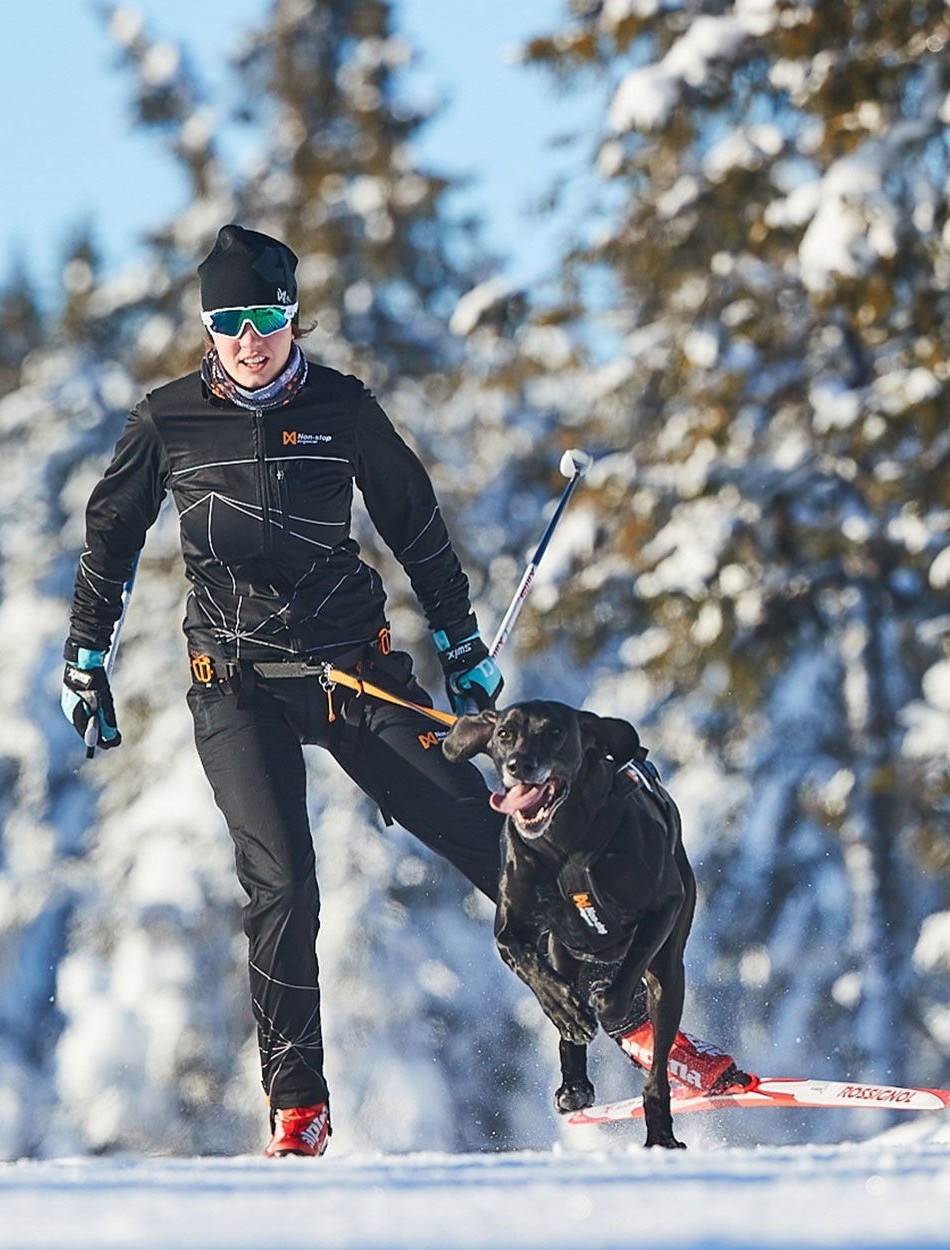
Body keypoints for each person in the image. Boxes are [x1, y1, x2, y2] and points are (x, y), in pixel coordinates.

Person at [61, 223, 738, 1158]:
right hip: (237, 685)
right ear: (208, 327)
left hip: (352, 671)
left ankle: (623, 1020)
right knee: (282, 887)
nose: (249, 339)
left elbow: (417, 527)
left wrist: (462, 646)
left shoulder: (341, 409)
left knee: (491, 832)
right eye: (228, 321)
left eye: (266, 316)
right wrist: (85, 655)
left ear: (293, 315)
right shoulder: (168, 421)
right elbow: (111, 536)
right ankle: (297, 1103)